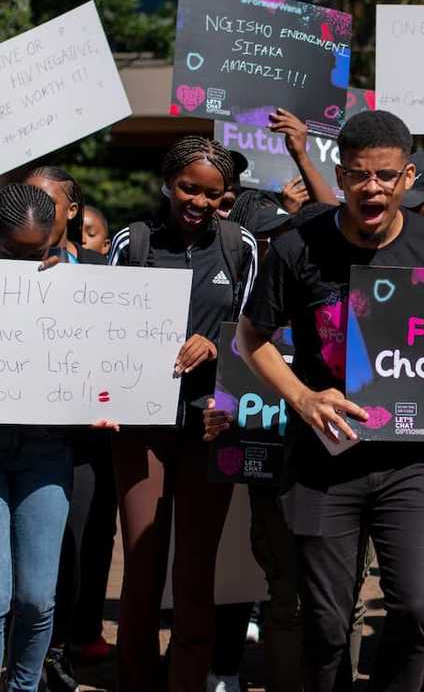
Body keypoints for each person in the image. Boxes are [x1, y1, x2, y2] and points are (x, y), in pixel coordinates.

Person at [237, 110, 424, 692]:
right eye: (360, 175)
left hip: (411, 460)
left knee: (416, 608)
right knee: (327, 626)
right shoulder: (294, 248)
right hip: (324, 461)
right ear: (340, 176)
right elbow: (250, 339)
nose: (373, 188)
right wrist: (303, 397)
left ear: (408, 178)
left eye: (386, 176)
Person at [107, 137, 258, 692]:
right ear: (167, 183)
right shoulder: (134, 240)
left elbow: (255, 333)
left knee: (195, 574)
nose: (198, 201)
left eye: (212, 194)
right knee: (142, 573)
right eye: (188, 188)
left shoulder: (241, 246)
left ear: (226, 197)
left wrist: (217, 347)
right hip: (141, 429)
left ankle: (188, 682)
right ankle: (135, 681)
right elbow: (102, 323)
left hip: (208, 426)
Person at [18, 168, 117, 692]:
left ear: (73, 210)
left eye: (47, 199)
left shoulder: (107, 272)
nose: (36, 206)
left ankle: (59, 652)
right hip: (24, 440)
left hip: (85, 442)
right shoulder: (9, 271)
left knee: (74, 551)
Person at [0, 184, 83, 692]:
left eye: (41, 250)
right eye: (16, 252)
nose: (32, 262)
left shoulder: (77, 282)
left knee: (36, 595)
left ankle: (25, 686)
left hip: (47, 451)